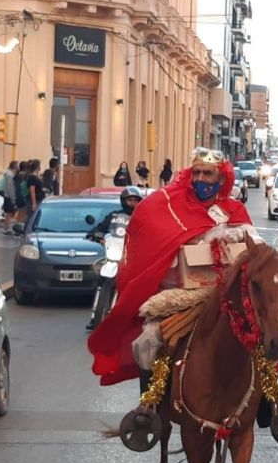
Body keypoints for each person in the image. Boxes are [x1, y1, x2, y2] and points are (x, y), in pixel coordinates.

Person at [88, 147, 257, 389]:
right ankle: (148, 408)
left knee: (263, 336)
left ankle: (268, 403)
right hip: (179, 294)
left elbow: (253, 248)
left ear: (221, 178)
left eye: (207, 174)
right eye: (196, 172)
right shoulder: (171, 203)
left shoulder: (235, 210)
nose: (200, 179)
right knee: (147, 341)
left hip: (226, 295)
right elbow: (151, 235)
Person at [85, 186, 144, 331]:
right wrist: (97, 236)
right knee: (102, 279)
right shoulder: (114, 216)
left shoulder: (142, 218)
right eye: (130, 200)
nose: (132, 203)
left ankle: (137, 316)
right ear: (123, 201)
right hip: (115, 253)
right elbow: (99, 229)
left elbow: (150, 233)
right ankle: (95, 317)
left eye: (135, 200)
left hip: (133, 256)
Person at [0, 161, 19, 234]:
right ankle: (6, 229)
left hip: (6, 195)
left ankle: (7, 228)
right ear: (15, 167)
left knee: (9, 213)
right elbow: (10, 187)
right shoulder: (10, 175)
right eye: (17, 165)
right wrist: (13, 199)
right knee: (9, 213)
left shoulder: (9, 174)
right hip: (8, 196)